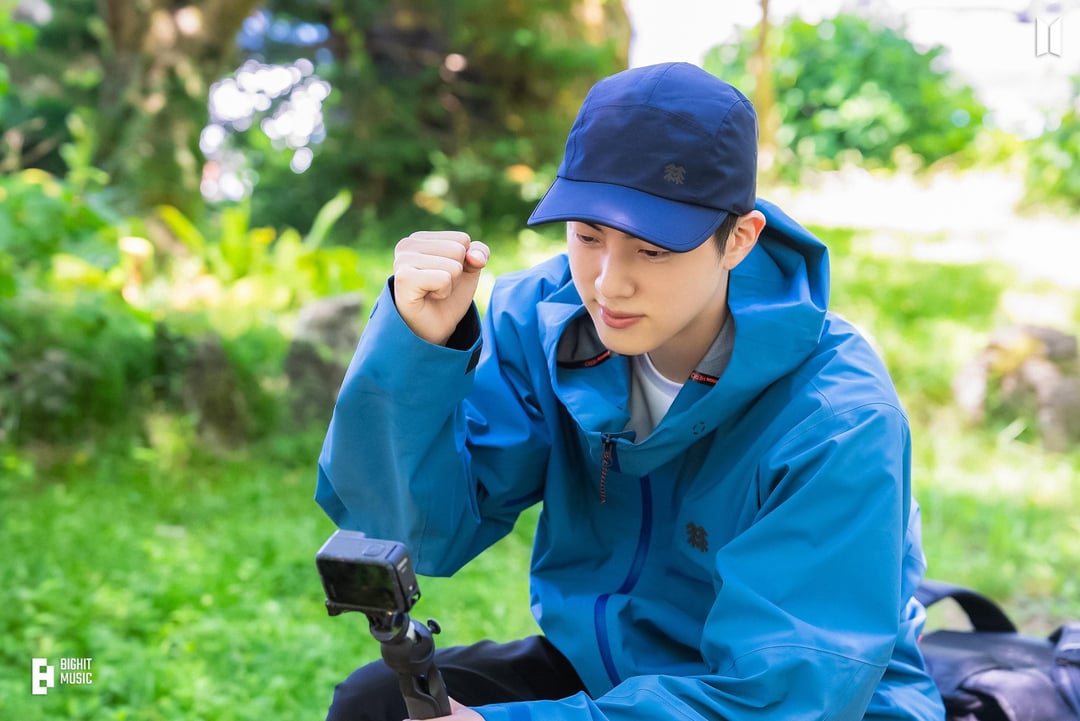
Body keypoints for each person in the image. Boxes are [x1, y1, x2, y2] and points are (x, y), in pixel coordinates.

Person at [315, 62, 946, 721]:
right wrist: (417, 354)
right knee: (376, 705)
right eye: (588, 236)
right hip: (610, 670)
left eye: (652, 250)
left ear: (738, 239)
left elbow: (785, 696)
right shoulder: (543, 320)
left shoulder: (838, 418)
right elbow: (417, 534)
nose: (608, 284)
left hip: (811, 703)